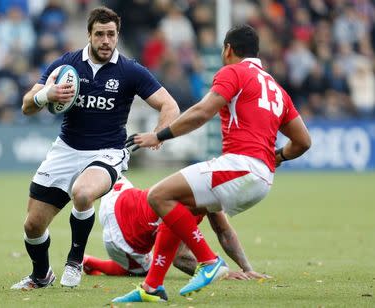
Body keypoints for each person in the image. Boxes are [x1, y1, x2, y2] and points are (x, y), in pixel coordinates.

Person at [114, 24, 311, 302]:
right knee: (178, 206)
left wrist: (158, 135)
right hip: (261, 176)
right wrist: (276, 157)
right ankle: (152, 287)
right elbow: (303, 141)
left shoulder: (233, 71)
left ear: (228, 49)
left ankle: (208, 261)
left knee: (159, 195)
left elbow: (201, 111)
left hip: (241, 166)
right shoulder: (276, 88)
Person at [11, 6, 179, 290]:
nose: (105, 40)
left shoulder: (130, 70)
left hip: (107, 152)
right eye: (99, 34)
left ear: (117, 35)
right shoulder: (66, 65)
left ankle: (75, 261)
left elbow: (169, 105)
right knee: (33, 225)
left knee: (83, 192)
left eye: (111, 34)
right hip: (66, 149)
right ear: (89, 35)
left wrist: (158, 134)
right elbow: (27, 105)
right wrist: (45, 95)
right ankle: (41, 275)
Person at [83, 176, 269, 281]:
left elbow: (224, 232)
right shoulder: (184, 209)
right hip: (119, 233)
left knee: (106, 165)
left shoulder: (204, 187)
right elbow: (179, 258)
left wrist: (247, 269)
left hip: (119, 192)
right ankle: (89, 261)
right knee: (143, 270)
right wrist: (224, 275)